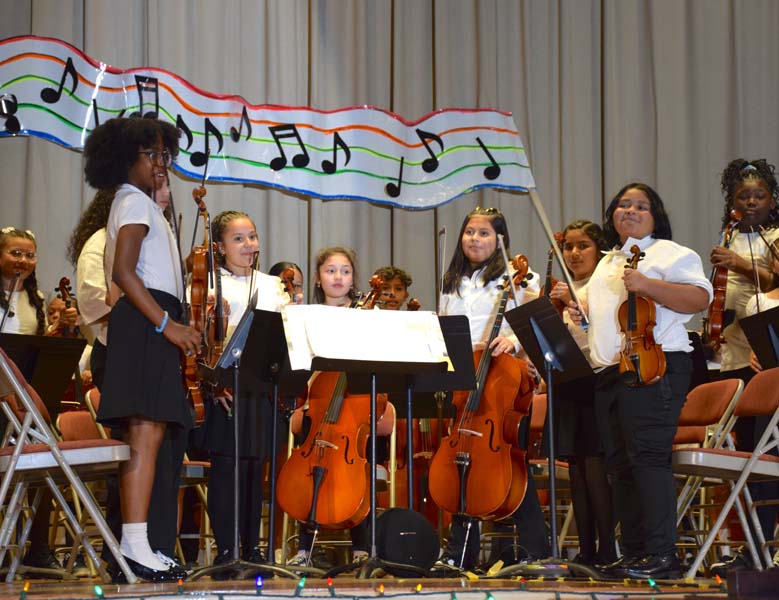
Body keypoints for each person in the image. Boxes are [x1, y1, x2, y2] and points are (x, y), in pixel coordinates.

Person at [569, 183, 712, 579]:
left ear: (656, 215)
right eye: (623, 205)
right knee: (619, 466)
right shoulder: (608, 261)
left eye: (641, 206)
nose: (629, 211)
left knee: (647, 458)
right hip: (611, 372)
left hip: (655, 364)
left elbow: (700, 299)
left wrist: (649, 285)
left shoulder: (670, 252)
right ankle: (634, 553)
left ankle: (662, 555)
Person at [83, 116, 200, 581]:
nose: (160, 163)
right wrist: (168, 325)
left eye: (164, 154)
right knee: (143, 437)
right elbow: (125, 274)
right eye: (149, 154)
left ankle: (141, 543)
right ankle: (134, 545)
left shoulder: (144, 205)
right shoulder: (130, 201)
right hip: (147, 323)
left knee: (148, 436)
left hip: (152, 320)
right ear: (124, 160)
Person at [434, 206, 545, 571]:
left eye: (483, 233)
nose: (474, 239)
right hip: (465, 379)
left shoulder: (519, 278)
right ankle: (460, 552)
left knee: (508, 459)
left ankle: (534, 547)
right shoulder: (452, 280)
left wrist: (511, 342)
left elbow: (531, 323)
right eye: (470, 232)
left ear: (500, 239)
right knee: (465, 460)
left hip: (502, 376)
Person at [284, 246, 393, 568]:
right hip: (318, 403)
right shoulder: (309, 315)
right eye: (331, 270)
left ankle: (361, 545)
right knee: (311, 467)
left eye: (345, 271)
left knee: (357, 465)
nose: (338, 277)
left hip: (353, 405)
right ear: (318, 277)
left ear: (353, 278)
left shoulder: (367, 313)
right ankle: (306, 546)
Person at [200, 210, 290, 574]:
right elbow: (202, 343)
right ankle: (226, 552)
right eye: (238, 239)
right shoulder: (209, 284)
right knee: (227, 468)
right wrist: (213, 380)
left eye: (252, 237)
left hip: (261, 389)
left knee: (256, 469)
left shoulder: (271, 284)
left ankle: (253, 550)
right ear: (220, 247)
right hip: (225, 390)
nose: (249, 245)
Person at [707, 159, 779, 574]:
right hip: (733, 357)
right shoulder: (729, 235)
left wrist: (737, 264)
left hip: (768, 357)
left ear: (772, 201)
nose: (750, 202)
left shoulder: (775, 237)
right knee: (743, 461)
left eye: (759, 196)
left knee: (767, 458)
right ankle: (749, 546)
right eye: (742, 197)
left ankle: (768, 545)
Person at [0, 227, 77, 572]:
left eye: (29, 255)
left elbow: (36, 349)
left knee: (42, 463)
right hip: (2, 398)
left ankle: (39, 547)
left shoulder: (39, 300)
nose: (23, 261)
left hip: (27, 398)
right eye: (15, 253)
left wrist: (62, 329)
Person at [546, 220, 616, 566]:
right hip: (568, 382)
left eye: (582, 245)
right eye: (568, 247)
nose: (573, 253)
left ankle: (608, 551)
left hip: (596, 380)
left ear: (599, 249)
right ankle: (585, 551)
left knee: (595, 467)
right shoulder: (564, 289)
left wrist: (573, 299)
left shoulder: (603, 283)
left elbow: (598, 335)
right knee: (576, 468)